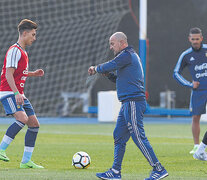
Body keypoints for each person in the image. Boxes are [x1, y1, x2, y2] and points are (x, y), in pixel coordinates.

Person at [88, 32, 168, 180]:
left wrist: (97, 68)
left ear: (122, 42)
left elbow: (111, 64)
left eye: (112, 43)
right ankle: (115, 171)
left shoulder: (126, 55)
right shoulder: (127, 56)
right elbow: (120, 78)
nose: (111, 47)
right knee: (118, 135)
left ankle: (159, 168)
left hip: (133, 102)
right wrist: (109, 75)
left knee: (138, 136)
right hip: (127, 103)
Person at [0, 19, 44, 169]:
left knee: (34, 124)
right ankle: (1, 149)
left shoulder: (23, 52)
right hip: (8, 92)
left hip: (19, 93)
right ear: (24, 33)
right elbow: (8, 74)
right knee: (22, 118)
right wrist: (16, 93)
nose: (34, 38)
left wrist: (33, 74)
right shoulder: (14, 50)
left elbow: (20, 73)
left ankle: (26, 161)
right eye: (32, 34)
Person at [173, 27, 207, 154]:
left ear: (201, 38)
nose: (195, 41)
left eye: (197, 39)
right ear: (189, 39)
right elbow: (176, 73)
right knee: (196, 117)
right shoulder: (186, 55)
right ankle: (196, 146)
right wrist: (189, 84)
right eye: (193, 39)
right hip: (198, 91)